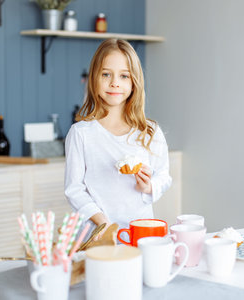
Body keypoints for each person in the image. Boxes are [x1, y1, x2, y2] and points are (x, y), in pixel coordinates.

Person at [64, 39, 172, 240]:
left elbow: (164, 176)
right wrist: (102, 221)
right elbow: (74, 189)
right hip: (96, 235)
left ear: (134, 83)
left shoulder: (149, 132)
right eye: (106, 74)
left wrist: (148, 187)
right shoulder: (81, 133)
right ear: (94, 78)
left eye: (124, 76)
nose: (115, 82)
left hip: (140, 234)